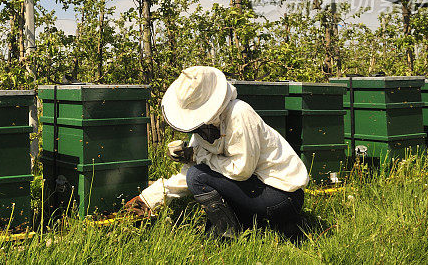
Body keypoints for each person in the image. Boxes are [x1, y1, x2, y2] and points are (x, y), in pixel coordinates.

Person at [125, 66, 309, 238]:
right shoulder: (203, 126)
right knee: (197, 174)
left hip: (282, 196)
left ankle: (229, 235)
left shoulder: (239, 113)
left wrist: (197, 156)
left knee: (198, 176)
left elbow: (241, 170)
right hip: (256, 189)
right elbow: (192, 172)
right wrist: (149, 198)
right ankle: (246, 225)